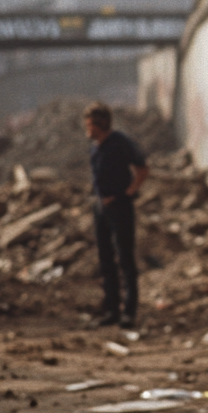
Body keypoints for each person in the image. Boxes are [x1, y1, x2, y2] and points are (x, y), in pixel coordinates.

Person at [84, 102, 149, 328]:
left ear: (99, 124)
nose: (87, 129)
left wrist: (127, 193)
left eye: (90, 124)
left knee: (125, 259)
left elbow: (142, 169)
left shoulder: (120, 143)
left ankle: (129, 312)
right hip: (101, 208)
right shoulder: (95, 147)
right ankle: (112, 308)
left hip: (120, 207)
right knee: (106, 260)